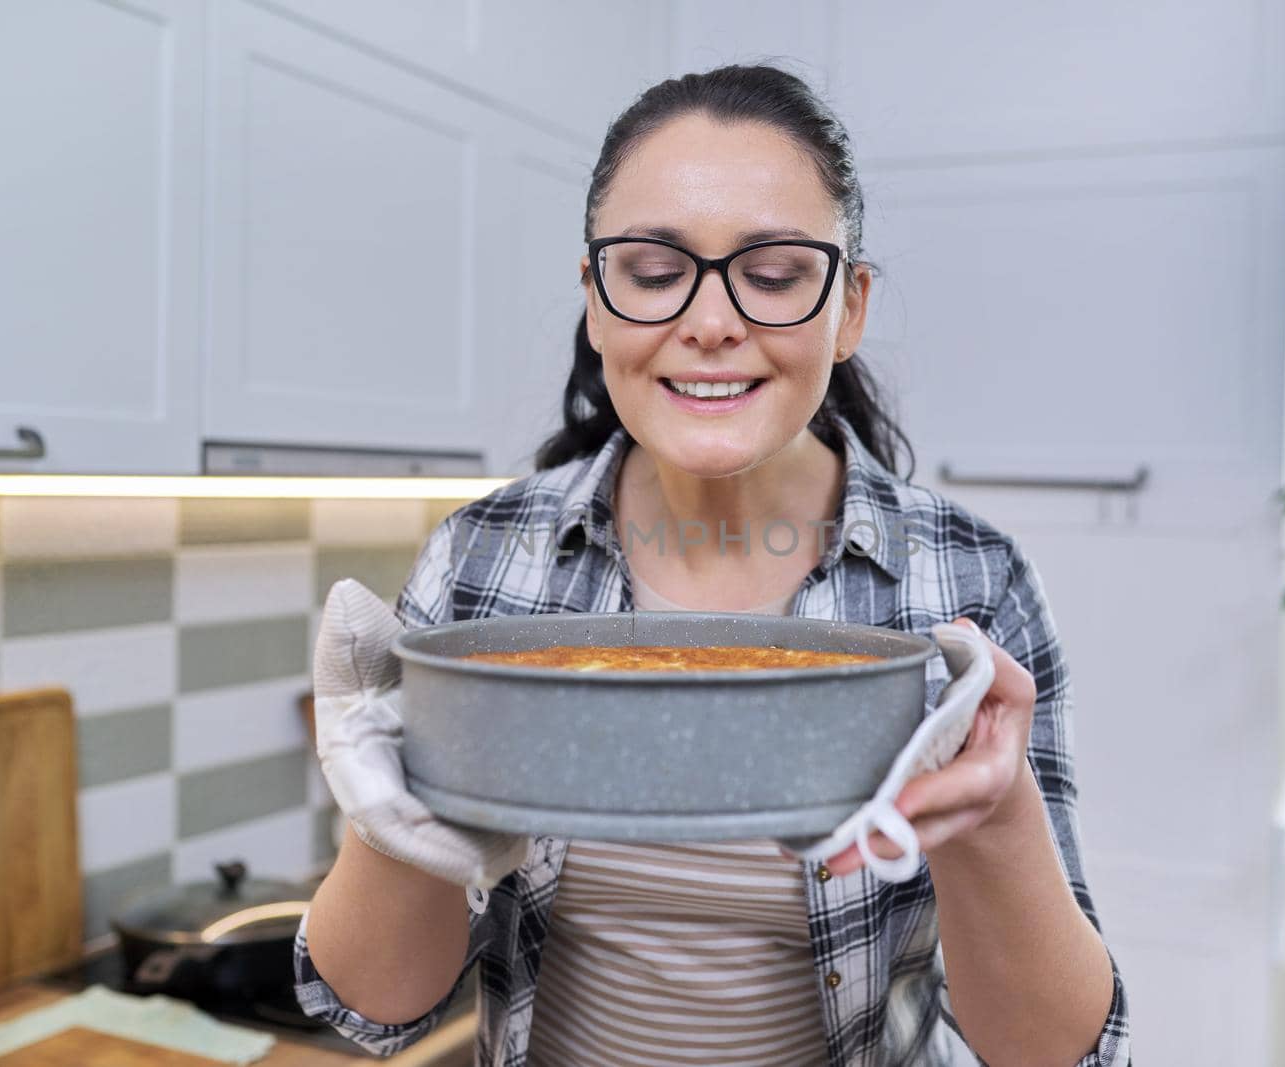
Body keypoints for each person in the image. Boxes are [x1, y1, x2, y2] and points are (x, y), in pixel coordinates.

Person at [294, 64, 1130, 1066]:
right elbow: (372, 1006)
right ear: (596, 302)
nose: (711, 320)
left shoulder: (969, 585)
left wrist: (994, 825)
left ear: (849, 308)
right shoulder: (480, 564)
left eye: (773, 275)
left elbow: (1059, 1056)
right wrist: (392, 829)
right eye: (652, 270)